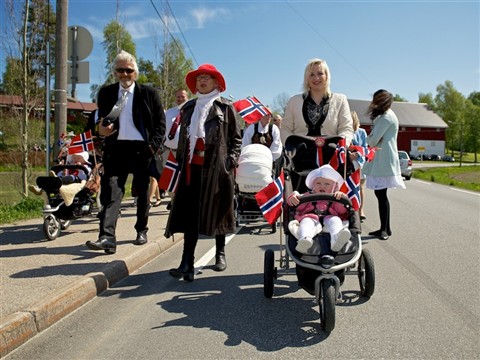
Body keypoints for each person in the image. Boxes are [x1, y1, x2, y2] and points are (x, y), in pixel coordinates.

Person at [166, 64, 242, 282]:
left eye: (206, 77)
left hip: (217, 167)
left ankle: (220, 253)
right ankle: (186, 263)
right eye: (199, 78)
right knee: (190, 215)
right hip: (191, 168)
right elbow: (182, 139)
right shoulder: (188, 107)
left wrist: (230, 161)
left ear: (216, 83)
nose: (202, 81)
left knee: (217, 210)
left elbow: (236, 139)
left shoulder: (226, 107)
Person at [85, 50, 165, 254]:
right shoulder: (106, 93)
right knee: (112, 192)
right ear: (115, 72)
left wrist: (152, 147)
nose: (124, 74)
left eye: (128, 70)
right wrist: (101, 131)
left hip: (142, 150)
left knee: (140, 192)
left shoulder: (149, 93)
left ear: (135, 73)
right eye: (120, 70)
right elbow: (101, 124)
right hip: (116, 149)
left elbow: (160, 125)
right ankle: (107, 237)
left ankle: (141, 230)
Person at [362, 89, 405, 240]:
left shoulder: (386, 117)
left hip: (384, 160)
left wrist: (370, 138)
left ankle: (384, 230)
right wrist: (374, 137)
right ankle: (385, 228)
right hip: (384, 158)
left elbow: (372, 141)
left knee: (381, 194)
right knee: (381, 194)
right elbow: (375, 139)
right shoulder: (387, 116)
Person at [280, 58, 354, 145]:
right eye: (311, 74)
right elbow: (285, 129)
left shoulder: (340, 100)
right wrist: (292, 146)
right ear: (306, 78)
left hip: (332, 154)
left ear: (327, 76)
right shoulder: (294, 101)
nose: (316, 78)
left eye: (320, 73)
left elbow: (346, 129)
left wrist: (340, 147)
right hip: (299, 155)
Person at [287, 164, 351, 254]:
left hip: (330, 217)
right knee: (307, 222)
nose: (322, 186)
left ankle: (336, 240)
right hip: (311, 217)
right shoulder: (308, 195)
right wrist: (293, 198)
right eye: (318, 183)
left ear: (334, 186)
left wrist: (341, 199)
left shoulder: (336, 197)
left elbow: (342, 211)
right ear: (313, 185)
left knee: (336, 220)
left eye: (327, 184)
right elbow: (298, 206)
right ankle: (304, 239)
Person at [162, 88, 189, 209]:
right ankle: (173, 200)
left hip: (185, 152)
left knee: (184, 178)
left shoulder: (192, 112)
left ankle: (182, 202)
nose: (180, 99)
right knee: (169, 178)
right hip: (169, 151)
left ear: (187, 97)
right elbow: (163, 131)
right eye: (178, 97)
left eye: (182, 96)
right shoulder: (169, 113)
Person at [349, 111, 368, 221]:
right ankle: (349, 209)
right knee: (348, 186)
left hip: (359, 162)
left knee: (360, 186)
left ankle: (361, 210)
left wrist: (357, 154)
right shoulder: (342, 132)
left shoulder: (361, 132)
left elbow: (365, 148)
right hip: (347, 162)